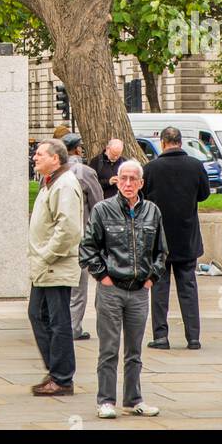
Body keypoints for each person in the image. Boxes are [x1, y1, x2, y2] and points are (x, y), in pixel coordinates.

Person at [79, 159, 167, 419]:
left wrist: (152, 277)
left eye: (133, 179)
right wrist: (102, 276)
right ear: (117, 181)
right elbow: (88, 249)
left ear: (141, 183)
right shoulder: (102, 210)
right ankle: (105, 400)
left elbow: (161, 251)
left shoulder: (152, 211)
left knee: (134, 350)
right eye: (123, 178)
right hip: (111, 289)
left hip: (140, 290)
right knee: (108, 348)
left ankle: (133, 399)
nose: (128, 183)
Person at [142, 126, 210, 350]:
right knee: (188, 287)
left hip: (160, 238)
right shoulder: (195, 166)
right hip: (187, 235)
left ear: (163, 143)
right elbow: (204, 194)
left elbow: (144, 199)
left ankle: (161, 336)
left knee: (160, 289)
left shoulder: (151, 168)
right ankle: (193, 337)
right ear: (180, 142)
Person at [27, 139, 83, 397]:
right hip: (44, 266)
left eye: (40, 154)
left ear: (56, 159)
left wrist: (48, 254)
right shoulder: (50, 182)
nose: (35, 157)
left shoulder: (65, 184)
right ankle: (56, 370)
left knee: (58, 321)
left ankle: (62, 378)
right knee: (38, 314)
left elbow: (69, 228)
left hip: (54, 265)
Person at [64, 132, 103, 341]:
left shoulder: (53, 171)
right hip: (81, 234)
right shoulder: (86, 172)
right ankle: (73, 328)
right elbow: (98, 204)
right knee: (79, 287)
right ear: (78, 149)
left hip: (59, 237)